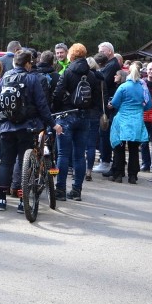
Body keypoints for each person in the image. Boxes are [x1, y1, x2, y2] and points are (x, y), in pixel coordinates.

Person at [0, 50, 61, 212]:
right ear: (28, 63)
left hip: (6, 127)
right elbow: (42, 105)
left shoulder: (5, 77)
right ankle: (23, 201)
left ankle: (2, 199)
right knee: (25, 163)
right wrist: (52, 124)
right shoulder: (32, 79)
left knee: (6, 162)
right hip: (27, 127)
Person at [51, 43, 101, 201]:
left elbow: (57, 94)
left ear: (70, 55)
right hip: (84, 117)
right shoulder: (92, 75)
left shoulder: (67, 72)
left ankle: (60, 190)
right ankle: (77, 190)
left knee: (63, 154)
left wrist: (55, 109)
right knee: (80, 156)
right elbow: (97, 98)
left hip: (66, 116)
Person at [108, 63, 150, 184]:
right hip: (137, 120)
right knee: (134, 149)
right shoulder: (143, 87)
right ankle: (133, 175)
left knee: (119, 148)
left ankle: (119, 174)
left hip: (122, 120)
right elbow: (148, 105)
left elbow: (115, 103)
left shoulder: (123, 87)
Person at [94, 42, 119, 174]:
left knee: (105, 133)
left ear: (109, 51)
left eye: (102, 51)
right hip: (105, 103)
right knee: (103, 133)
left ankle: (105, 161)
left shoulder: (112, 65)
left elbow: (102, 79)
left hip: (107, 105)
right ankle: (104, 160)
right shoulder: (109, 64)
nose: (100, 54)